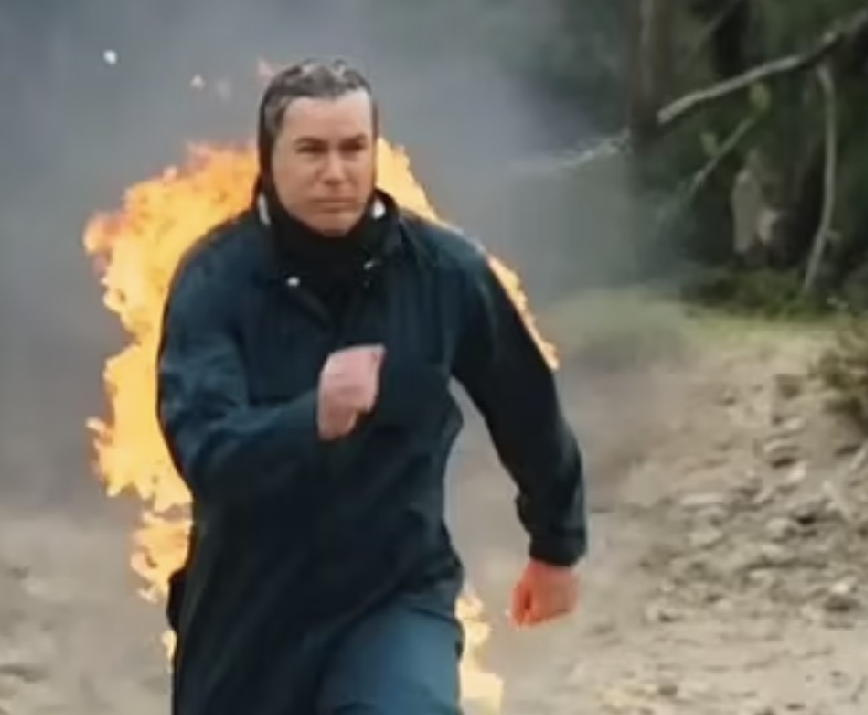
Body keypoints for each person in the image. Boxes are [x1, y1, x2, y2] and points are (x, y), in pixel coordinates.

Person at [155, 57, 588, 715]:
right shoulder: (215, 283)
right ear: (269, 158)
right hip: (247, 614)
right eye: (312, 151)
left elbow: (526, 405)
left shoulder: (443, 273)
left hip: (393, 597)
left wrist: (556, 544)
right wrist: (310, 421)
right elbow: (205, 453)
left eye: (354, 148)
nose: (336, 172)